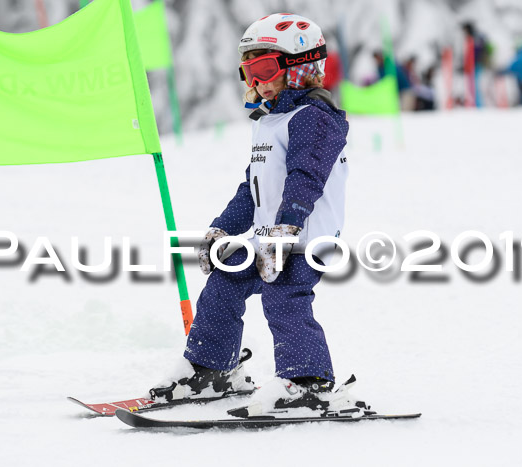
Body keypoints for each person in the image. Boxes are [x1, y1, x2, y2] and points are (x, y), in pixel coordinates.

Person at [149, 13, 363, 417]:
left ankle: (308, 383)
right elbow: (253, 188)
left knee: (284, 299)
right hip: (269, 238)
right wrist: (222, 229)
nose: (256, 80)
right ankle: (213, 368)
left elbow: (306, 178)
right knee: (225, 281)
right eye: (248, 70)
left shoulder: (314, 119)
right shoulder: (271, 122)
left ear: (301, 68)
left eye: (265, 68)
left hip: (303, 240)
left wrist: (285, 231)